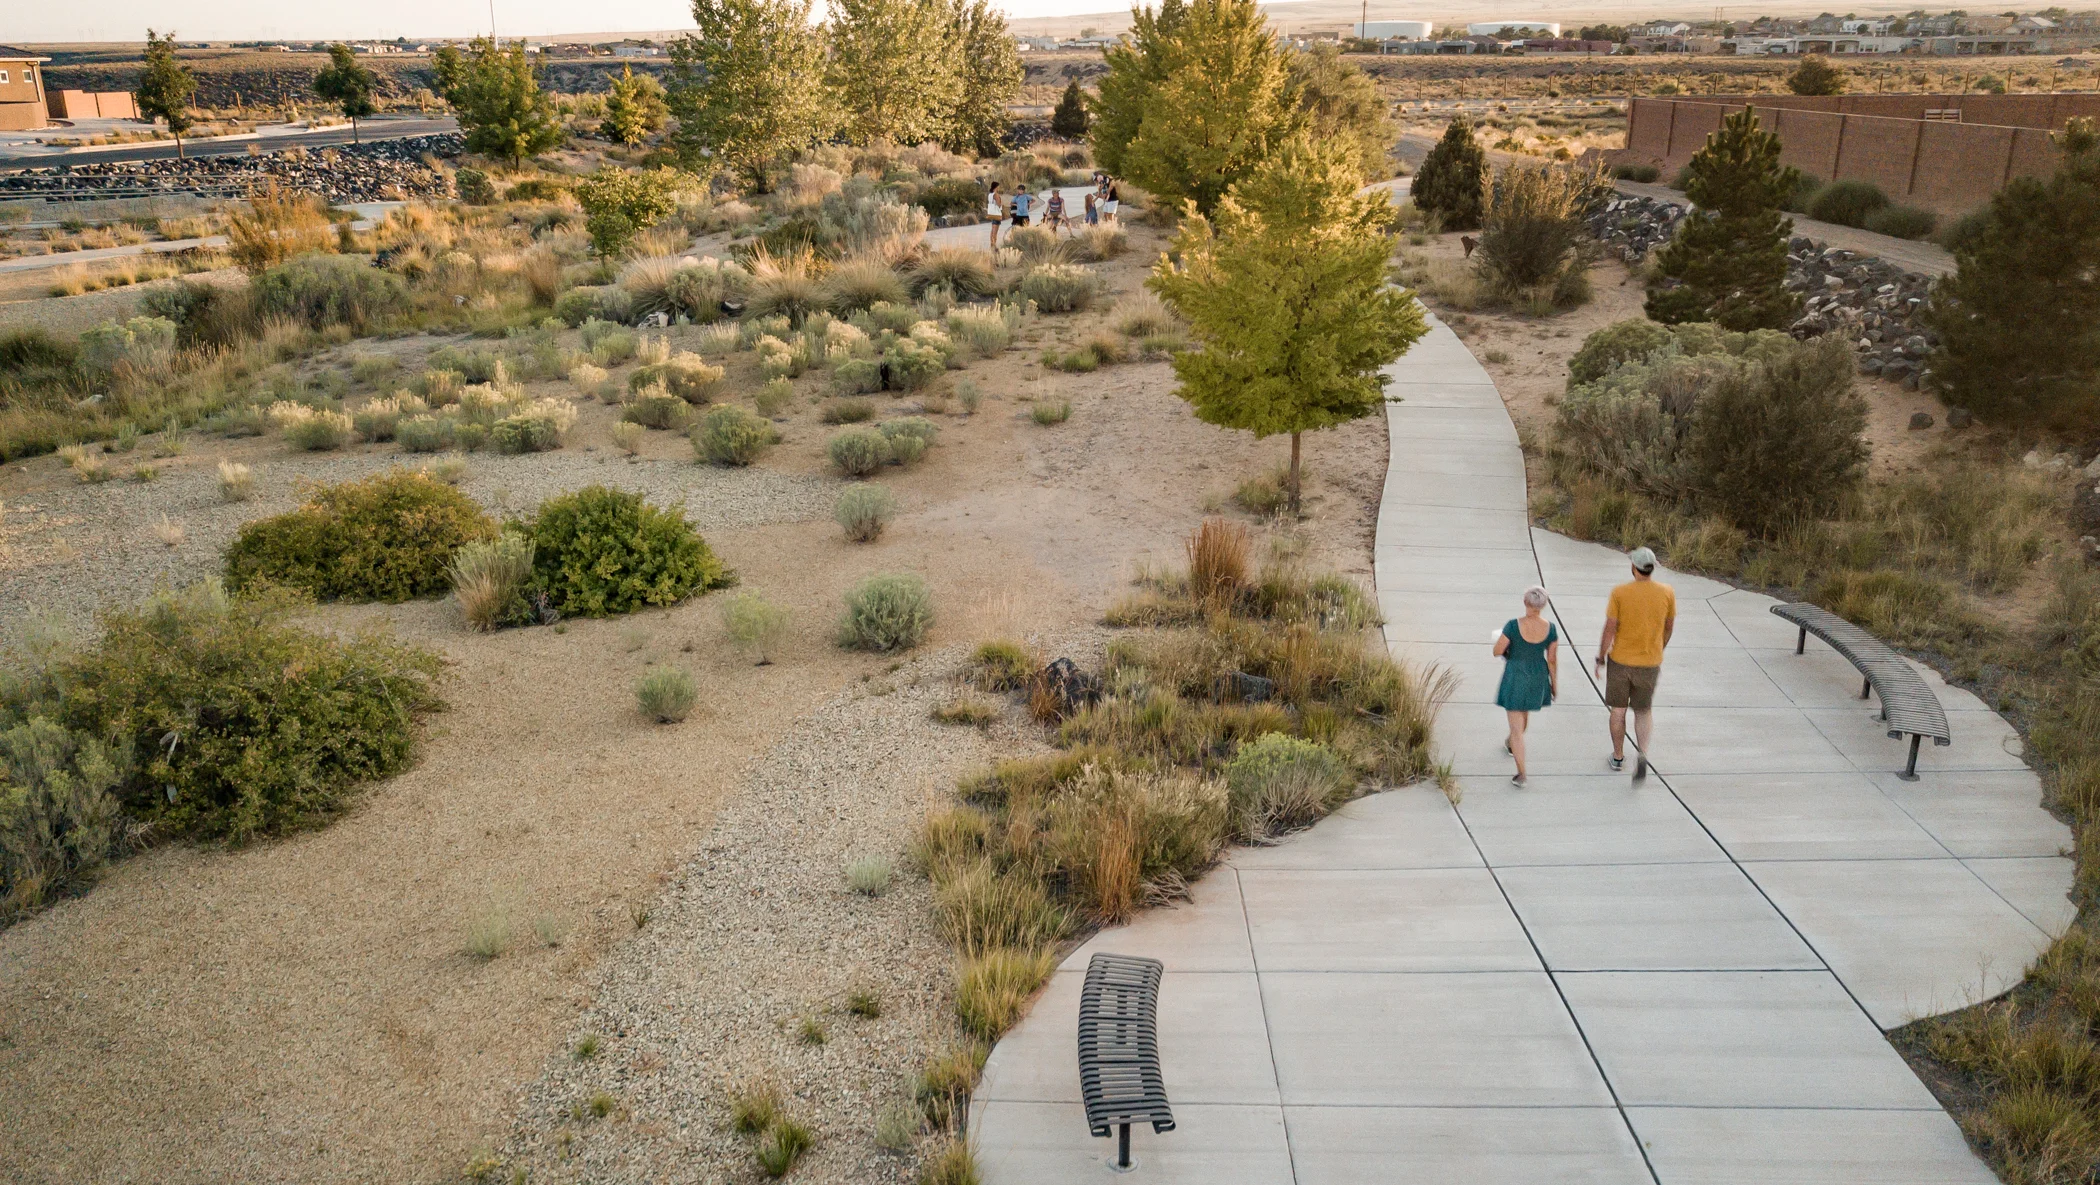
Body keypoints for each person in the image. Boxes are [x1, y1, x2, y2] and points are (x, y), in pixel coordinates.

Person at [1594, 546, 1675, 782]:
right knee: (1643, 710)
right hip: (1649, 662)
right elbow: (1669, 626)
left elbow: (1610, 627)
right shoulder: (1667, 592)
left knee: (1618, 711)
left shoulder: (1620, 593)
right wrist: (1659, 648)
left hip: (1620, 661)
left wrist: (1601, 657)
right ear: (1652, 569)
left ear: (1633, 567)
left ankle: (1618, 757)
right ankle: (1642, 753)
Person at [1494, 586, 1559, 786]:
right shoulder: (1551, 628)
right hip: (1537, 676)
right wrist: (1554, 685)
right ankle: (1512, 743)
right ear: (1543, 605)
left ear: (1525, 602)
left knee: (1516, 729)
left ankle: (1521, 773)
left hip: (1516, 675)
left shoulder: (1513, 626)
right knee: (1524, 717)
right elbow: (1552, 660)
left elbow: (1497, 651)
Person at [985, 181, 1006, 250]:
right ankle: (994, 245)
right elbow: (999, 204)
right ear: (996, 187)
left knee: (992, 230)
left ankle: (992, 244)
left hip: (991, 213)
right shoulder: (996, 195)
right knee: (995, 231)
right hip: (996, 213)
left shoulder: (990, 194)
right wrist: (1001, 204)